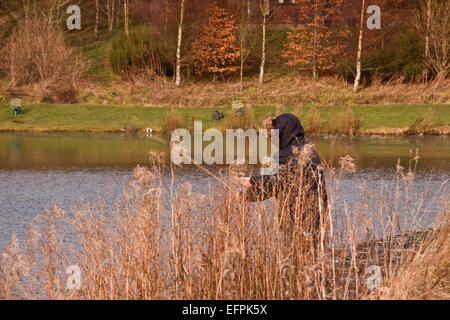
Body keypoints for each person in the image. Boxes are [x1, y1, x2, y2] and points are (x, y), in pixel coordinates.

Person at [239, 113, 328, 240]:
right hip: (318, 214)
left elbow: (276, 183)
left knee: (298, 253)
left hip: (298, 216)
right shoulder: (309, 150)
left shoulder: (286, 154)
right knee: (313, 252)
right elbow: (283, 178)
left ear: (282, 133)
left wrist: (247, 192)